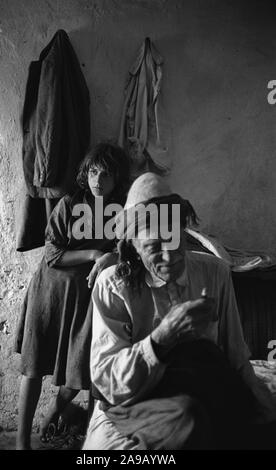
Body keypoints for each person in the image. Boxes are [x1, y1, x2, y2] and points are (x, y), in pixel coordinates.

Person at [83, 172, 276, 450]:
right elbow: (106, 381)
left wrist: (257, 403)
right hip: (140, 399)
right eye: (153, 247)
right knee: (188, 418)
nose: (170, 256)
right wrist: (161, 339)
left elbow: (235, 355)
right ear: (134, 248)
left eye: (175, 240)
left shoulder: (215, 273)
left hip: (204, 387)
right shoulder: (113, 286)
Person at [15, 142, 131, 450]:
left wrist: (112, 258)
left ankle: (59, 414)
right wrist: (95, 253)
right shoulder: (70, 203)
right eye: (93, 172)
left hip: (87, 298)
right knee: (35, 365)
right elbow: (53, 255)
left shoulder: (123, 213)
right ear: (85, 174)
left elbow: (130, 251)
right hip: (51, 293)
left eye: (106, 175)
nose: (98, 181)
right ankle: (21, 442)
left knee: (84, 366)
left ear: (118, 179)